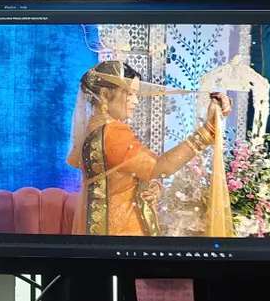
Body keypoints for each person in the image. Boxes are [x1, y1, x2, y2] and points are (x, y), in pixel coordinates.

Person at [67, 60, 231, 236]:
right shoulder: (113, 132)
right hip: (123, 231)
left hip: (101, 226)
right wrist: (207, 132)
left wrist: (149, 185)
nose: (136, 101)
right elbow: (160, 167)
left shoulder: (93, 129)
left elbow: (119, 177)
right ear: (105, 95)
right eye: (130, 94)